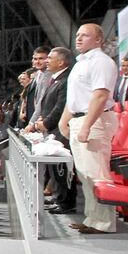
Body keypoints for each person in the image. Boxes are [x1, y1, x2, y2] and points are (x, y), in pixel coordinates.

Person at [59, 23, 119, 234]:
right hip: (80, 120)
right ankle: (92, 219)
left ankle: (104, 223)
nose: (78, 38)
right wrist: (64, 120)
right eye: (77, 35)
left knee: (97, 172)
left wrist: (87, 125)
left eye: (85, 35)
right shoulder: (80, 63)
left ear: (98, 40)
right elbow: (75, 96)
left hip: (95, 121)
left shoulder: (102, 62)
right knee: (85, 174)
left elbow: (100, 95)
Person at [35, 46, 77, 213]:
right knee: (55, 169)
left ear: (60, 62)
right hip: (52, 130)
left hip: (59, 130)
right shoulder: (56, 79)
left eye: (50, 58)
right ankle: (59, 198)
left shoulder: (66, 80)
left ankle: (66, 202)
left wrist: (45, 123)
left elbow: (60, 108)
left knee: (61, 168)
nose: (47, 60)